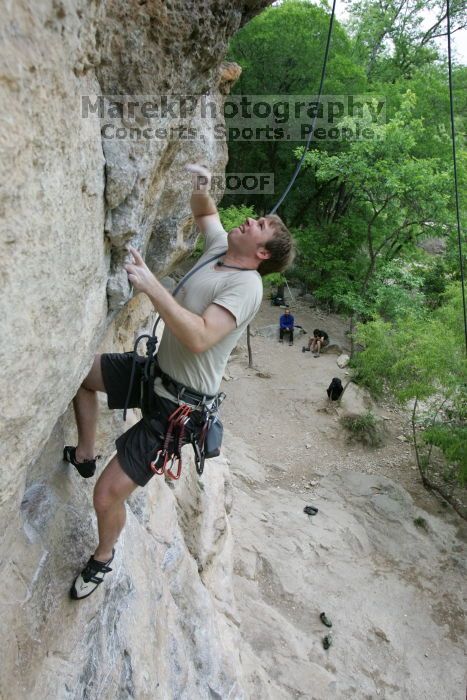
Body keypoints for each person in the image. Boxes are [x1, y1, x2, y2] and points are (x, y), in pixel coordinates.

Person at [64, 163, 294, 599]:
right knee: (80, 373)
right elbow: (205, 211)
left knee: (106, 498)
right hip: (156, 375)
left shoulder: (247, 288)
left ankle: (103, 557)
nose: (250, 220)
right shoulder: (221, 248)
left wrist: (153, 286)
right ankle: (87, 452)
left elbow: (199, 336)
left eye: (259, 225)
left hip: (177, 410)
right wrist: (202, 184)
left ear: (262, 253)